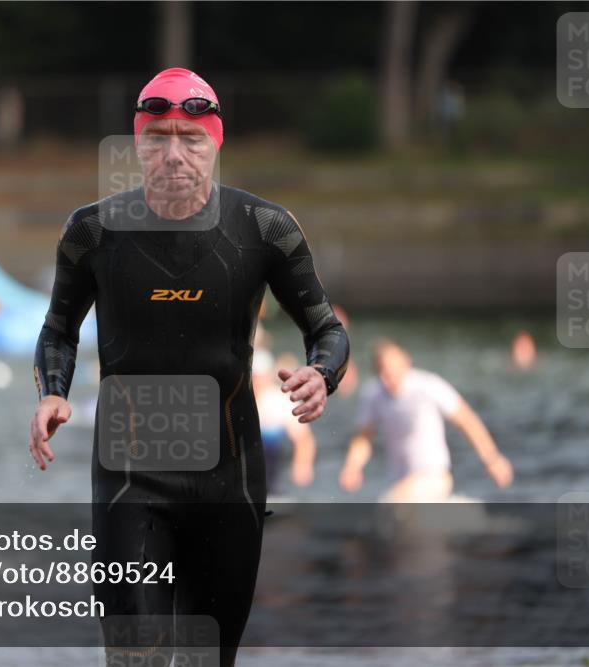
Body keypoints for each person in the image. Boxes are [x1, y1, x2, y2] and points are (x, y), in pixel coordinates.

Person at [29, 67, 349, 666]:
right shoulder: (92, 231)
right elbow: (59, 329)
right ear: (137, 144)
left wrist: (321, 373)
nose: (174, 154)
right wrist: (52, 391)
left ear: (216, 141)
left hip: (229, 478)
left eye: (191, 139)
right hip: (129, 479)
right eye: (157, 138)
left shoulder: (265, 228)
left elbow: (327, 330)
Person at [339, 339, 513, 502]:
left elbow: (466, 420)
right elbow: (363, 438)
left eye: (390, 371)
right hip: (399, 482)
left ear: (406, 363)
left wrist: (492, 458)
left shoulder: (428, 386)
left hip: (434, 476)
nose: (386, 377)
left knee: (394, 503)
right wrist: (353, 467)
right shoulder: (373, 395)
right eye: (381, 371)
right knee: (394, 507)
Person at [252, 348, 316, 495]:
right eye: (253, 377)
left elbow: (303, 438)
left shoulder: (281, 401)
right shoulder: (234, 398)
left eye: (259, 376)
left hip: (272, 463)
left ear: (267, 376)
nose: (256, 381)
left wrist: (302, 465)